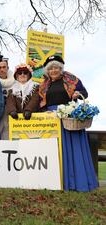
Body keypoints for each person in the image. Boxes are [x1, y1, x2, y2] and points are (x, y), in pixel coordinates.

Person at [39, 55, 98, 192]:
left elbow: (85, 93)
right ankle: (57, 182)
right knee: (56, 151)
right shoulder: (44, 85)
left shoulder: (71, 79)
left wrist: (78, 93)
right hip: (52, 119)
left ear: (61, 68)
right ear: (47, 71)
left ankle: (78, 183)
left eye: (56, 67)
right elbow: (41, 103)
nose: (54, 70)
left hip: (69, 117)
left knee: (74, 149)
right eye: (51, 68)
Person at [0, 50, 14, 139]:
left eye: (4, 67)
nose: (2, 69)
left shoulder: (14, 81)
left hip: (10, 112)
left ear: (7, 68)